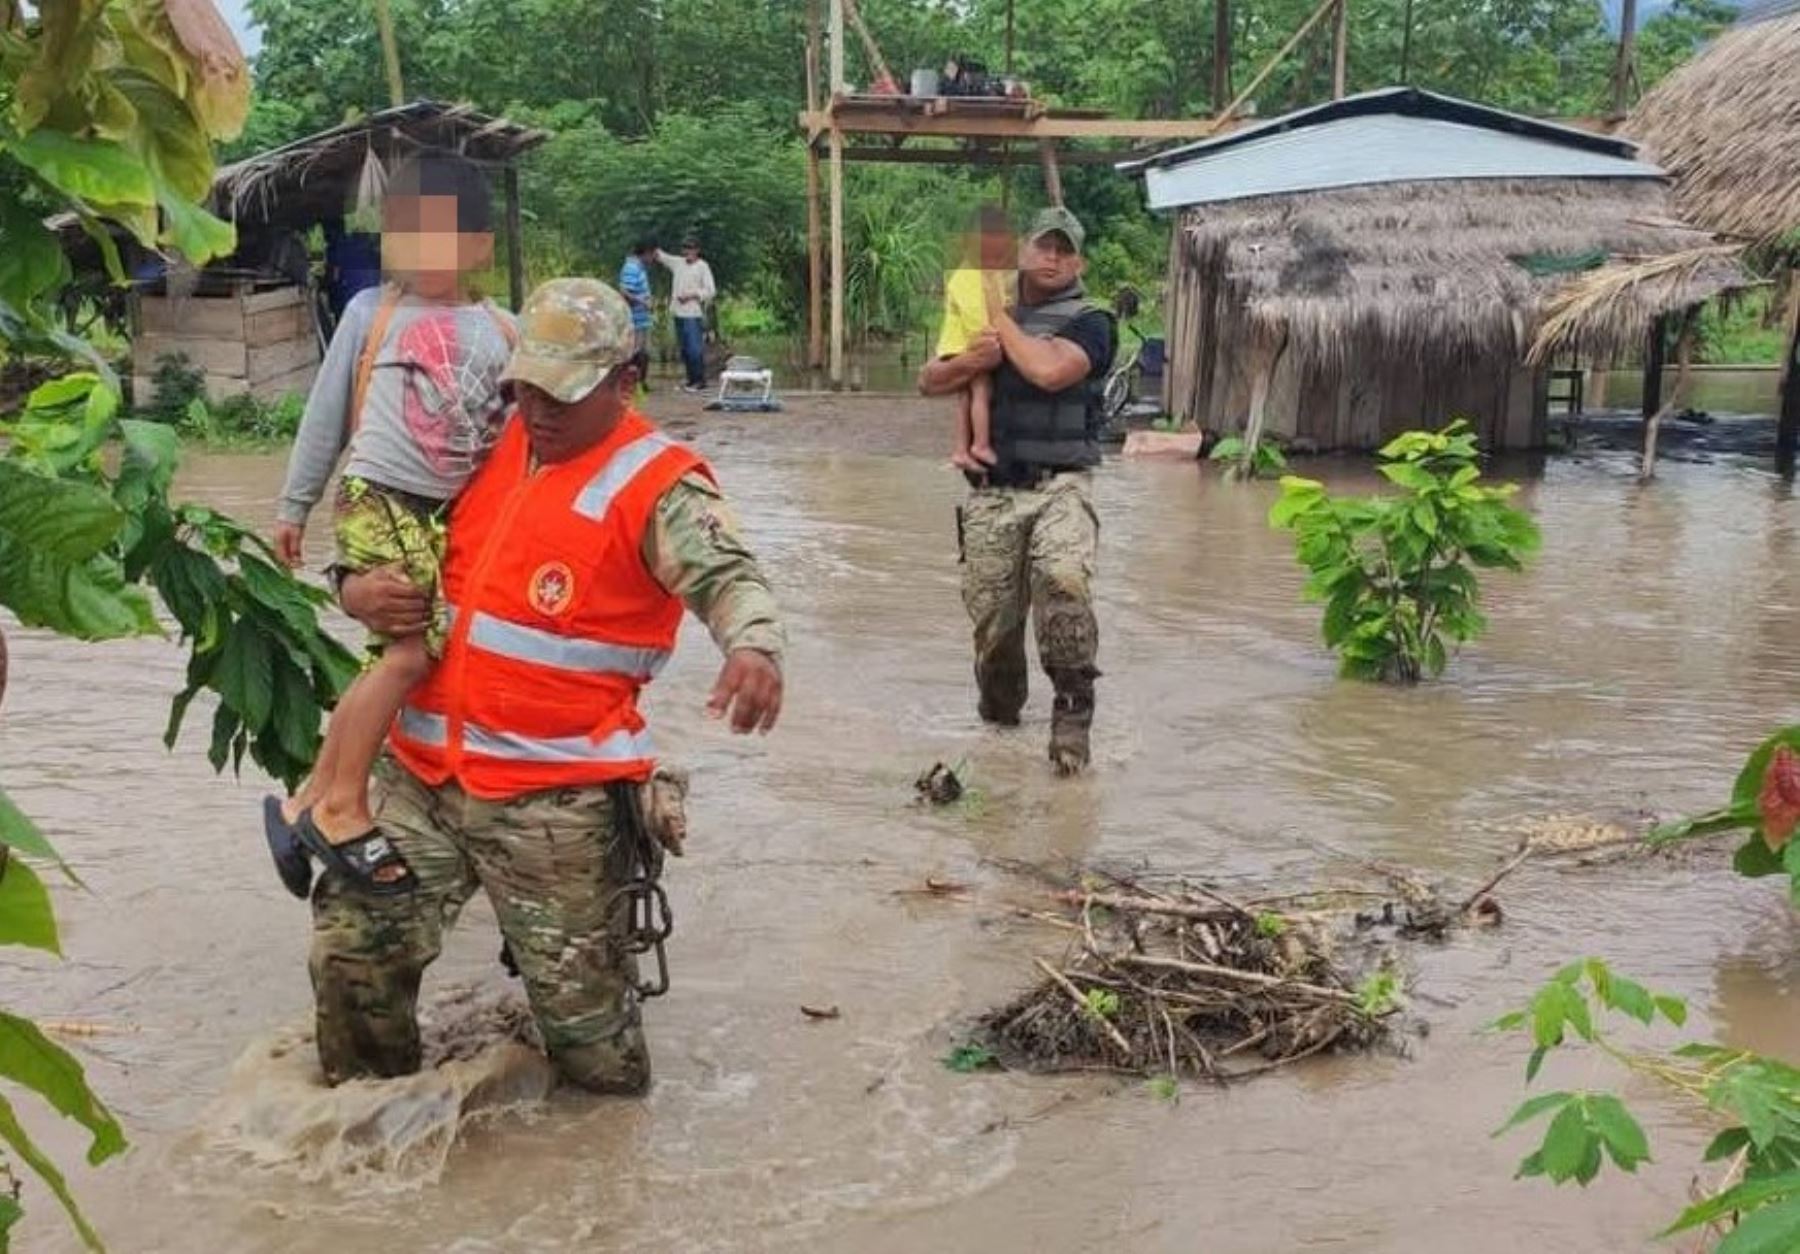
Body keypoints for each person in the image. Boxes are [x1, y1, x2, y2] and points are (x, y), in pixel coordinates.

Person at [315, 276, 785, 1094]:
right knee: (352, 953)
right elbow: (377, 517)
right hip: (419, 778)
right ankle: (369, 1141)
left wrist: (754, 647)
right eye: (524, 387)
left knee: (594, 1055)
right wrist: (352, 586)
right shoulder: (476, 442)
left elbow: (730, 575)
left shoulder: (658, 482)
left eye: (562, 392)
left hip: (552, 804)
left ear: (626, 382)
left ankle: (597, 1196)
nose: (538, 410)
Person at [267, 150, 518, 895]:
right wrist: (293, 505)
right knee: (408, 658)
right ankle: (342, 803)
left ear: (479, 249)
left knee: (400, 659)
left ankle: (307, 797)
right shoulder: (370, 312)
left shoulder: (502, 330)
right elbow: (323, 416)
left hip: (444, 517)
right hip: (378, 496)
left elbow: (509, 439)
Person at [917, 207, 1115, 776]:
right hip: (993, 495)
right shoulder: (982, 302)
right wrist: (971, 361)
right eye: (1042, 246)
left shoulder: (1090, 319)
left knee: (1064, 584)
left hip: (1062, 486)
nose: (1051, 258)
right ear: (1023, 250)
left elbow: (1049, 372)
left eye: (1064, 249)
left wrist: (999, 321)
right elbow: (930, 379)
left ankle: (1072, 726)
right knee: (995, 630)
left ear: (1079, 260)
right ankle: (999, 734)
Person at [937, 205, 1015, 469]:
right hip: (966, 345)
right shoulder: (967, 275)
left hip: (958, 345)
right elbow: (975, 319)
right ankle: (980, 444)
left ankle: (961, 450)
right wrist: (994, 335)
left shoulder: (987, 273)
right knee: (982, 391)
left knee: (965, 398)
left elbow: (1000, 302)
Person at [656, 235, 717, 393]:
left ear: (697, 250)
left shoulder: (703, 266)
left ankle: (699, 380)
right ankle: (691, 379)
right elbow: (662, 256)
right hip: (678, 312)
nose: (688, 251)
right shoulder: (678, 263)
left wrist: (692, 295)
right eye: (685, 248)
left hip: (693, 313)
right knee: (684, 348)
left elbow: (710, 290)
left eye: (691, 248)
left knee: (694, 348)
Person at [619, 237, 656, 362]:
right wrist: (643, 302)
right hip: (635, 321)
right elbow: (624, 293)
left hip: (641, 319)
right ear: (646, 253)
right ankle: (636, 381)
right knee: (636, 354)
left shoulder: (639, 267)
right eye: (652, 254)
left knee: (642, 353)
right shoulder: (631, 268)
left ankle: (640, 381)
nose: (653, 258)